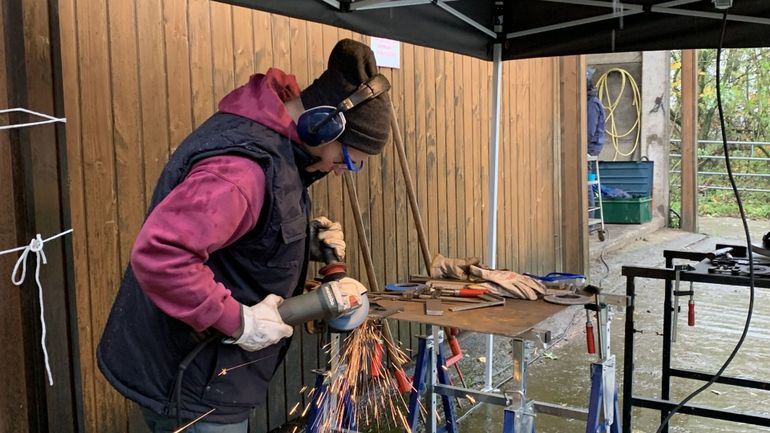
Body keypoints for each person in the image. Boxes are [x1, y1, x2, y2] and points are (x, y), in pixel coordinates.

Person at [97, 39, 392, 433]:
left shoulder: (276, 147)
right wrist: (239, 320)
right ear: (324, 124)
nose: (342, 170)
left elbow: (239, 232)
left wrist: (304, 239)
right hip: (191, 381)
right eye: (349, 158)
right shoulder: (241, 172)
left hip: (210, 374)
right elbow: (162, 255)